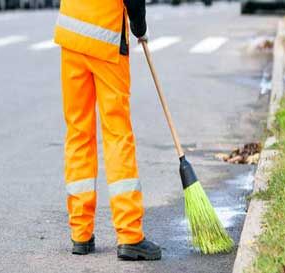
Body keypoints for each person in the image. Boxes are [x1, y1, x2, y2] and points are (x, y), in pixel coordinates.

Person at [53, 0, 161, 261]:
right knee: (117, 134)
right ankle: (130, 236)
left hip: (71, 34)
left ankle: (80, 233)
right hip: (106, 39)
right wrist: (139, 25)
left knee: (78, 133)